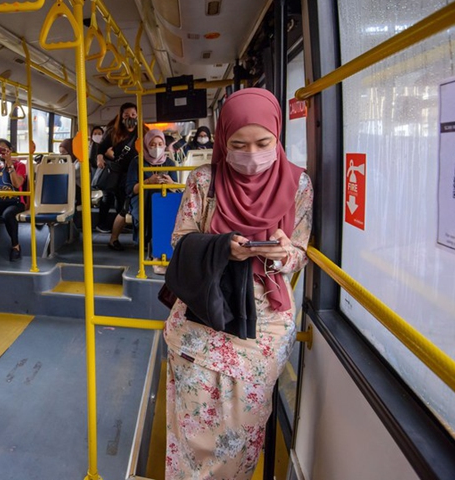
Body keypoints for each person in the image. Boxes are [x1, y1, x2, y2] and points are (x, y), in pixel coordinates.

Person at [163, 88, 313, 479]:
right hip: (202, 324)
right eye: (238, 144)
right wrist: (222, 249)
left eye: (263, 143)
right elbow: (180, 242)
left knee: (243, 436)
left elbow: (300, 250)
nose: (251, 154)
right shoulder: (203, 181)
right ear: (222, 140)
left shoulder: (299, 186)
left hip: (262, 328)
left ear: (277, 136)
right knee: (191, 431)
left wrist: (283, 253)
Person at [125, 130, 178, 274]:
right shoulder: (137, 162)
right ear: (146, 146)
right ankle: (156, 255)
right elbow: (130, 189)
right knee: (153, 212)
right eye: (152, 144)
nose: (157, 147)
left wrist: (171, 183)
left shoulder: (170, 163)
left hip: (164, 199)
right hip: (142, 198)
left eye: (160, 144)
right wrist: (148, 182)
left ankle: (161, 253)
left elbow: (177, 189)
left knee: (165, 212)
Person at [95, 102, 146, 249]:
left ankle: (137, 236)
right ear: (121, 117)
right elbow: (101, 148)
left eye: (133, 115)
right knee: (123, 206)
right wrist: (101, 157)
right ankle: (114, 239)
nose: (130, 118)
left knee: (135, 205)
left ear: (137, 116)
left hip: (138, 172)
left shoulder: (143, 131)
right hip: (120, 174)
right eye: (126, 116)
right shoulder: (114, 133)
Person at [58, 138, 81, 208]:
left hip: (78, 191)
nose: (62, 155)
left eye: (64, 152)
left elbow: (72, 174)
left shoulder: (80, 162)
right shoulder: (62, 161)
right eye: (60, 153)